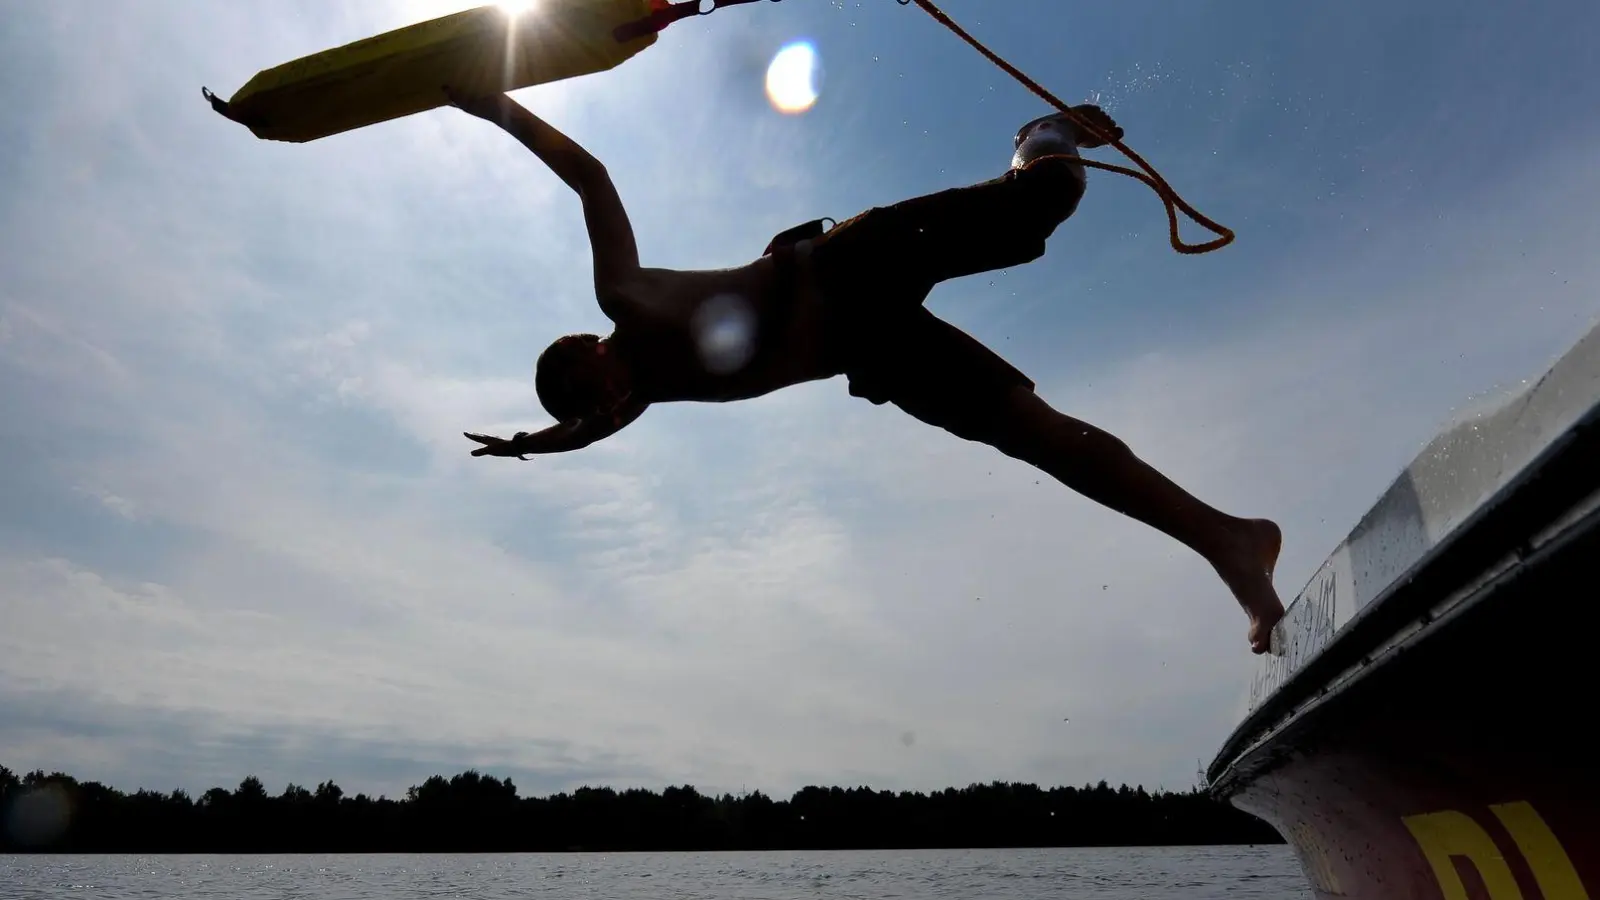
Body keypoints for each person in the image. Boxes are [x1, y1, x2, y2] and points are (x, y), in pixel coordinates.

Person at [447, 89, 1286, 654]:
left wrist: (490, 105)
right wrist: (530, 446)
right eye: (605, 412)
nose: (615, 408)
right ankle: (1230, 542)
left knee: (1044, 199)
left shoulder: (624, 297)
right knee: (1043, 439)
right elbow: (583, 432)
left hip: (851, 264)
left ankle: (1044, 134)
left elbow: (590, 176)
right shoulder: (645, 396)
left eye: (602, 394)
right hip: (873, 352)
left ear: (590, 350)